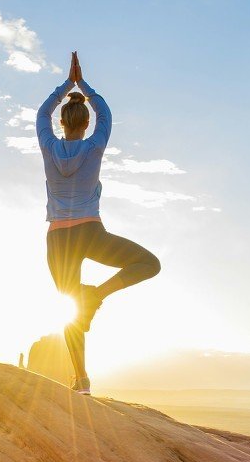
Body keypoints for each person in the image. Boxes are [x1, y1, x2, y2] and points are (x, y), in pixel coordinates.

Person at [39, 51, 161, 395]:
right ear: (85, 123)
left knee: (69, 308)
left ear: (63, 122)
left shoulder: (48, 146)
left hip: (58, 239)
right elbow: (106, 114)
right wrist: (84, 86)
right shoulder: (95, 145)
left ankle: (81, 381)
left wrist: (66, 85)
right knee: (149, 264)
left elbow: (41, 114)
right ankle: (97, 296)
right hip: (90, 233)